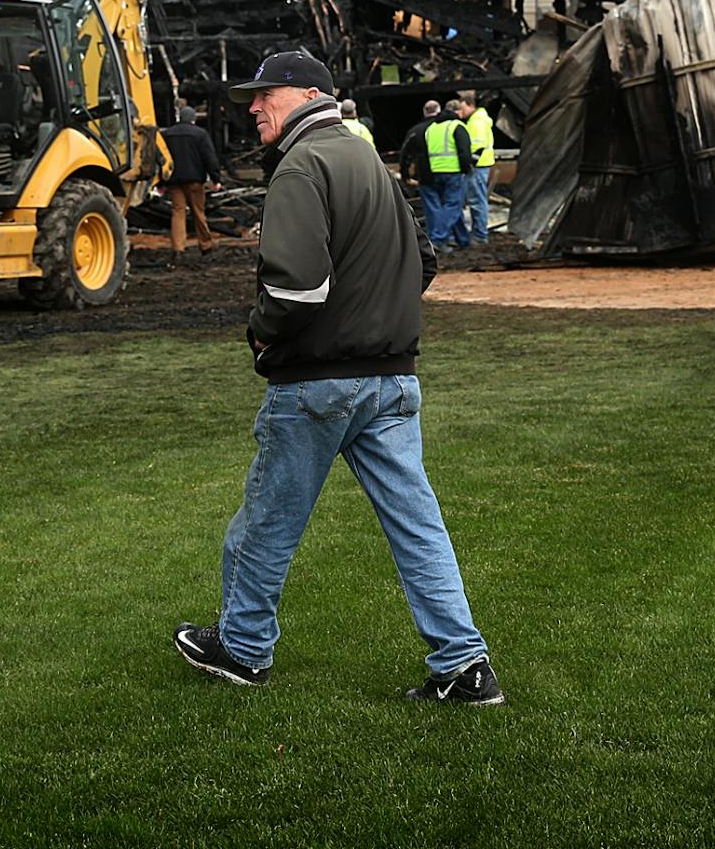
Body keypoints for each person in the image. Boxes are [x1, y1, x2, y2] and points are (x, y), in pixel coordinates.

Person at [171, 49, 501, 705]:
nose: (254, 108)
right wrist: (376, 314)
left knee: (264, 523)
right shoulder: (366, 160)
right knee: (418, 528)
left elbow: (294, 292)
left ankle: (241, 649)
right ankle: (465, 666)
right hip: (394, 381)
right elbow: (425, 260)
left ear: (303, 94)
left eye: (264, 96)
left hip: (320, 382)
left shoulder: (302, 164)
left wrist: (260, 333)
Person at [160, 103, 223, 258]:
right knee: (198, 212)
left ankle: (178, 249)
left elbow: (161, 159)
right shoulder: (200, 134)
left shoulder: (167, 134)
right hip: (195, 181)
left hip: (174, 181)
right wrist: (216, 179)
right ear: (193, 120)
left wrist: (161, 183)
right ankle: (205, 245)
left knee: (178, 212)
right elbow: (209, 158)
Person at [420, 102, 472, 253]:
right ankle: (437, 238)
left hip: (435, 171)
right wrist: (466, 168)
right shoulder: (457, 126)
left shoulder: (431, 128)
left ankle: (463, 240)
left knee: (448, 207)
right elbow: (464, 151)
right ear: (458, 111)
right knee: (453, 207)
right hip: (453, 171)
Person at [453, 91, 495, 248]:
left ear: (470, 105)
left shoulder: (476, 123)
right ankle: (479, 233)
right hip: (481, 166)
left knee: (477, 201)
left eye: (462, 108)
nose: (460, 112)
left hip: (477, 167)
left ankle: (480, 235)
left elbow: (477, 147)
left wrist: (467, 164)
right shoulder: (479, 120)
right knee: (478, 200)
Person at [399, 100, 441, 186]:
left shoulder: (415, 131)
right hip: (450, 172)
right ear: (439, 110)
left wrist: (405, 174)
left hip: (425, 175)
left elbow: (405, 154)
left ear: (424, 112)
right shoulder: (449, 128)